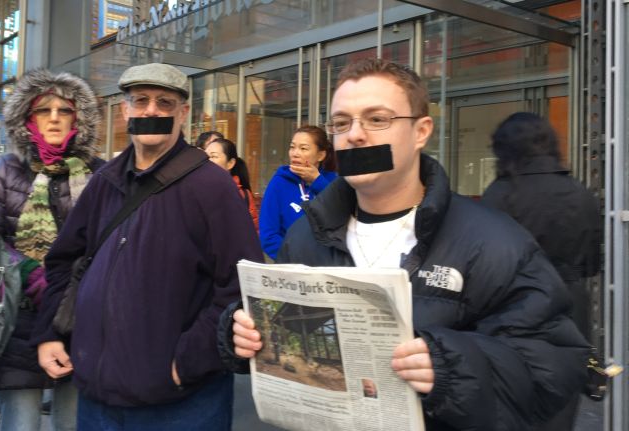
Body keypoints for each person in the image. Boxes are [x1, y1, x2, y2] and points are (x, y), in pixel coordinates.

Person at [220, 58, 590, 430]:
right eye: (341, 123)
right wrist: (244, 330)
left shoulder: (492, 240)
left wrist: (450, 367)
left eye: (377, 119)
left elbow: (553, 365)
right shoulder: (306, 234)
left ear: (421, 131)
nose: (356, 135)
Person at [31, 62, 262, 430]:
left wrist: (186, 362)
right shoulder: (104, 182)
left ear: (183, 113)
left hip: (180, 405)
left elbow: (242, 286)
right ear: (126, 110)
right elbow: (63, 260)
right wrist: (51, 333)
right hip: (97, 402)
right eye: (140, 100)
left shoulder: (211, 187)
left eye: (164, 102)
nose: (151, 110)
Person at [0, 68, 105, 431]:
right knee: (20, 421)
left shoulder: (100, 173)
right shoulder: (7, 169)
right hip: (19, 315)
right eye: (42, 110)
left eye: (63, 110)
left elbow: (111, 237)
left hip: (80, 314)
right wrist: (28, 272)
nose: (53, 118)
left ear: (77, 118)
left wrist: (73, 279)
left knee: (74, 421)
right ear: (27, 119)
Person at [481, 112, 602, 430]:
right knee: (561, 414)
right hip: (572, 310)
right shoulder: (580, 193)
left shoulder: (499, 195)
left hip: (513, 312)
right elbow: (592, 264)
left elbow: (484, 268)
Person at [259, 125, 337, 259]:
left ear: (321, 155)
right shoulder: (279, 183)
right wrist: (293, 260)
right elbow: (268, 235)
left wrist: (317, 181)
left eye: (303, 148)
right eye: (292, 147)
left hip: (328, 268)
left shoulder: (333, 181)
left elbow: (341, 215)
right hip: (291, 269)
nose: (295, 153)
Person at [204, 137, 259, 231]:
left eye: (214, 156)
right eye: (205, 157)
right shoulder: (196, 191)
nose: (207, 161)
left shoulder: (242, 195)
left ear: (230, 163)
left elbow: (253, 232)